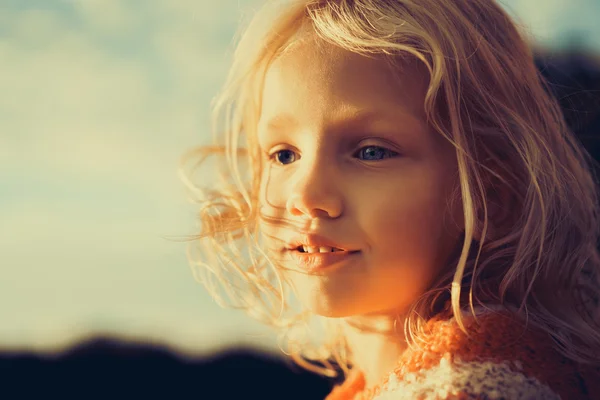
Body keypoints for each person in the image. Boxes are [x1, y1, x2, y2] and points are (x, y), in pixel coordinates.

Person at [179, 0, 600, 398]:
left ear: (491, 194)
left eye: (371, 151)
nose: (305, 195)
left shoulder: (477, 384)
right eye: (283, 154)